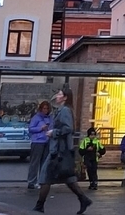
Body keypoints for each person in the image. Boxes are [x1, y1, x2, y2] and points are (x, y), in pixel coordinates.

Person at [33, 87, 91, 215]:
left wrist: (54, 132)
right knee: (68, 178)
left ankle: (39, 206)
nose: (57, 96)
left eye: (59, 94)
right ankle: (83, 199)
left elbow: (68, 128)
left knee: (45, 177)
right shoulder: (62, 110)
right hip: (60, 150)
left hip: (59, 151)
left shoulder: (64, 110)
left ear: (65, 97)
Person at [27, 100, 52, 190]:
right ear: (41, 109)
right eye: (44, 108)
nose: (46, 110)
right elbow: (30, 129)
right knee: (35, 163)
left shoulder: (49, 118)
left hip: (46, 141)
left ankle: (42, 181)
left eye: (47, 108)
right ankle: (31, 182)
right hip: (37, 141)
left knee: (44, 163)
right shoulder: (36, 118)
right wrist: (40, 128)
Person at [79, 126, 105, 190]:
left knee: (94, 170)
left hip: (94, 158)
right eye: (91, 135)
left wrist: (99, 153)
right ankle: (91, 182)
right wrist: (87, 150)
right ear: (88, 135)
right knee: (89, 170)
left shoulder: (97, 141)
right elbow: (81, 151)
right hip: (87, 158)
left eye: (94, 135)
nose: (93, 136)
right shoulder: (85, 141)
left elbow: (103, 149)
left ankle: (95, 183)